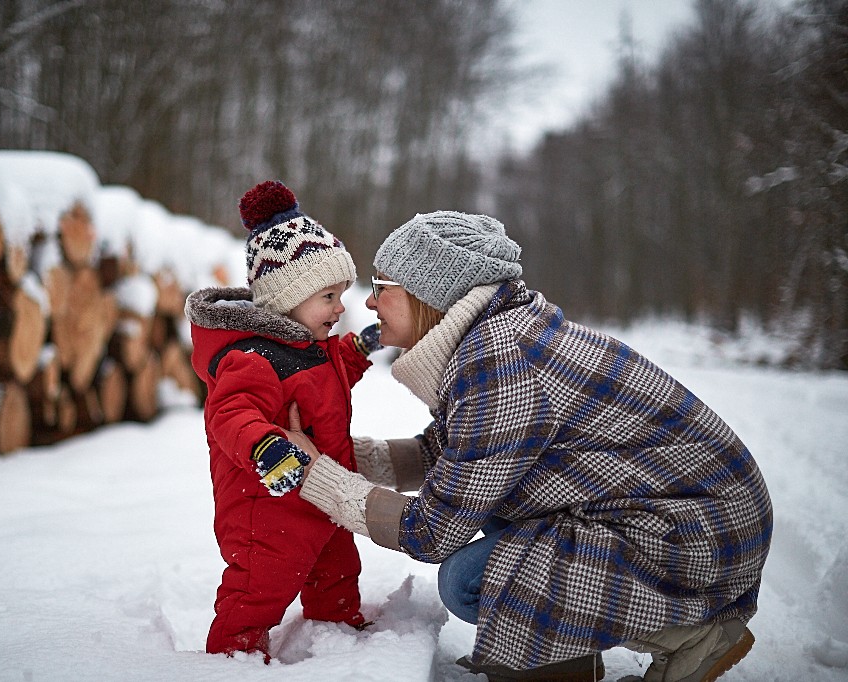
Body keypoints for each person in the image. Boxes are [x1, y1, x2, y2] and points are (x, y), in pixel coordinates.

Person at [286, 210, 773, 682]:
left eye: (380, 287)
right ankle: (560, 661)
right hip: (685, 518)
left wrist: (316, 477)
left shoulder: (501, 358)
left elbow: (431, 533)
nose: (368, 305)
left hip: (693, 538)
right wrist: (341, 455)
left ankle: (694, 636)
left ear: (427, 294)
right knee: (495, 513)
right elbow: (453, 456)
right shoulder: (499, 336)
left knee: (467, 581)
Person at [185, 181, 382, 660]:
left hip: (320, 489)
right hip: (266, 503)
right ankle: (234, 655)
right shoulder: (251, 358)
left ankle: (336, 634)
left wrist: (356, 351)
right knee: (259, 587)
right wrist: (264, 446)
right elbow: (229, 415)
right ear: (287, 298)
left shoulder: (310, 347)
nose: (341, 308)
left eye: (341, 294)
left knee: (337, 568)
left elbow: (325, 379)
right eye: (329, 297)